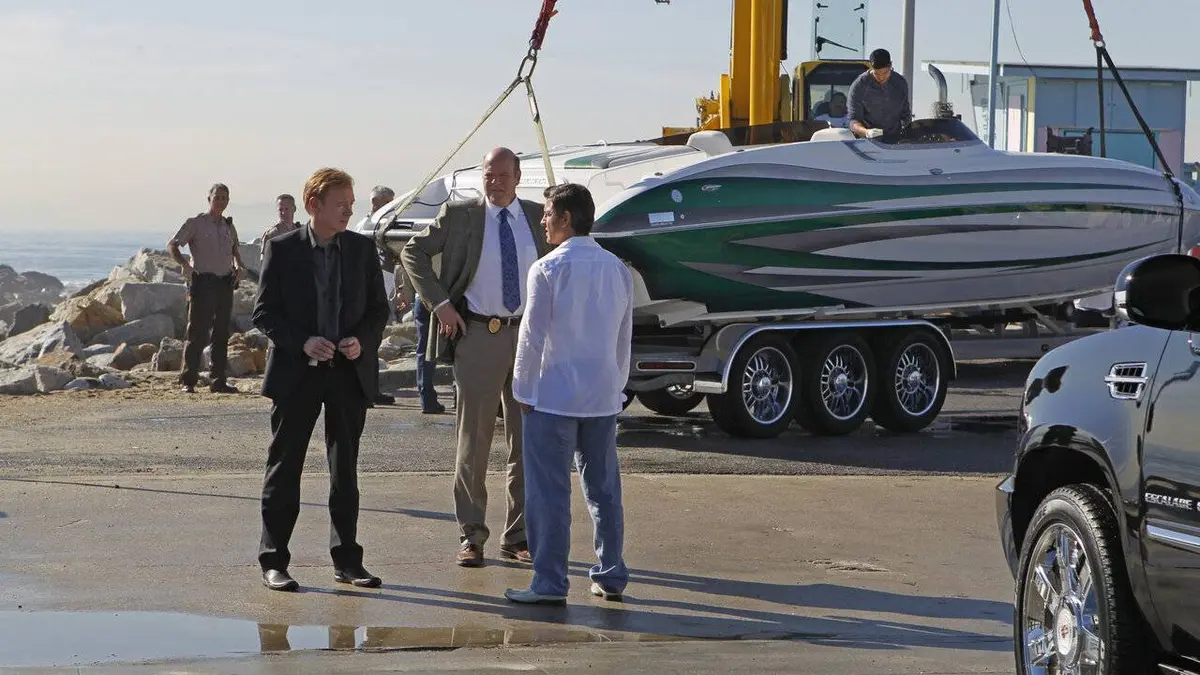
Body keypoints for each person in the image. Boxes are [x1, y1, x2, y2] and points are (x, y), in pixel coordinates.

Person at [400, 146, 553, 568]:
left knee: (527, 442)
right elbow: (412, 252)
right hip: (479, 336)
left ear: (518, 177)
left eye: (503, 175)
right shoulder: (460, 215)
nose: (495, 182)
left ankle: (518, 536)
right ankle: (471, 535)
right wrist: (440, 305)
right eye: (489, 174)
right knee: (474, 442)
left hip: (528, 338)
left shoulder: (538, 216)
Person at [251, 167, 391, 592]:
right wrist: (303, 342)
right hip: (297, 374)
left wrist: (361, 341)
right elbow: (264, 313)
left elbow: (378, 310)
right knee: (284, 466)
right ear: (314, 205)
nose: (349, 211)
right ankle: (274, 561)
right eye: (341, 204)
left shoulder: (362, 249)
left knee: (345, 470)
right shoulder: (282, 249)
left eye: (351, 204)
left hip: (348, 375)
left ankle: (348, 560)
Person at [504, 183, 633, 605]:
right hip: (601, 395)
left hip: (553, 395)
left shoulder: (547, 268)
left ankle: (549, 582)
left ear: (565, 218)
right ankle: (611, 573)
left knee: (549, 493)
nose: (542, 221)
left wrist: (522, 388)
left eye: (547, 214)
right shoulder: (617, 268)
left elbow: (532, 337)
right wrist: (617, 384)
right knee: (604, 491)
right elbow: (624, 336)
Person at [167, 183, 246, 394]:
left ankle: (218, 380)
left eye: (224, 198)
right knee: (197, 333)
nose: (220, 201)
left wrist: (239, 267)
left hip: (225, 283)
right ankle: (188, 380)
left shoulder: (228, 226)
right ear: (209, 199)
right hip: (203, 282)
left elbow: (235, 251)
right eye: (217, 197)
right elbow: (173, 245)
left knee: (221, 333)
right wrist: (185, 265)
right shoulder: (196, 223)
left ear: (228, 201)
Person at [846, 48, 912, 139]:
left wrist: (905, 131)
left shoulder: (900, 83)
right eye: (877, 73)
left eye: (885, 73)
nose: (881, 77)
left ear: (891, 65)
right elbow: (853, 121)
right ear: (870, 67)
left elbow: (906, 115)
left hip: (896, 139)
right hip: (868, 140)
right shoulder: (859, 86)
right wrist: (866, 132)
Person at [258, 194, 302, 260]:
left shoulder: (301, 232)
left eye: (286, 209)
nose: (283, 212)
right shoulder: (271, 235)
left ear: (294, 209)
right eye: (280, 209)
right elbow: (264, 261)